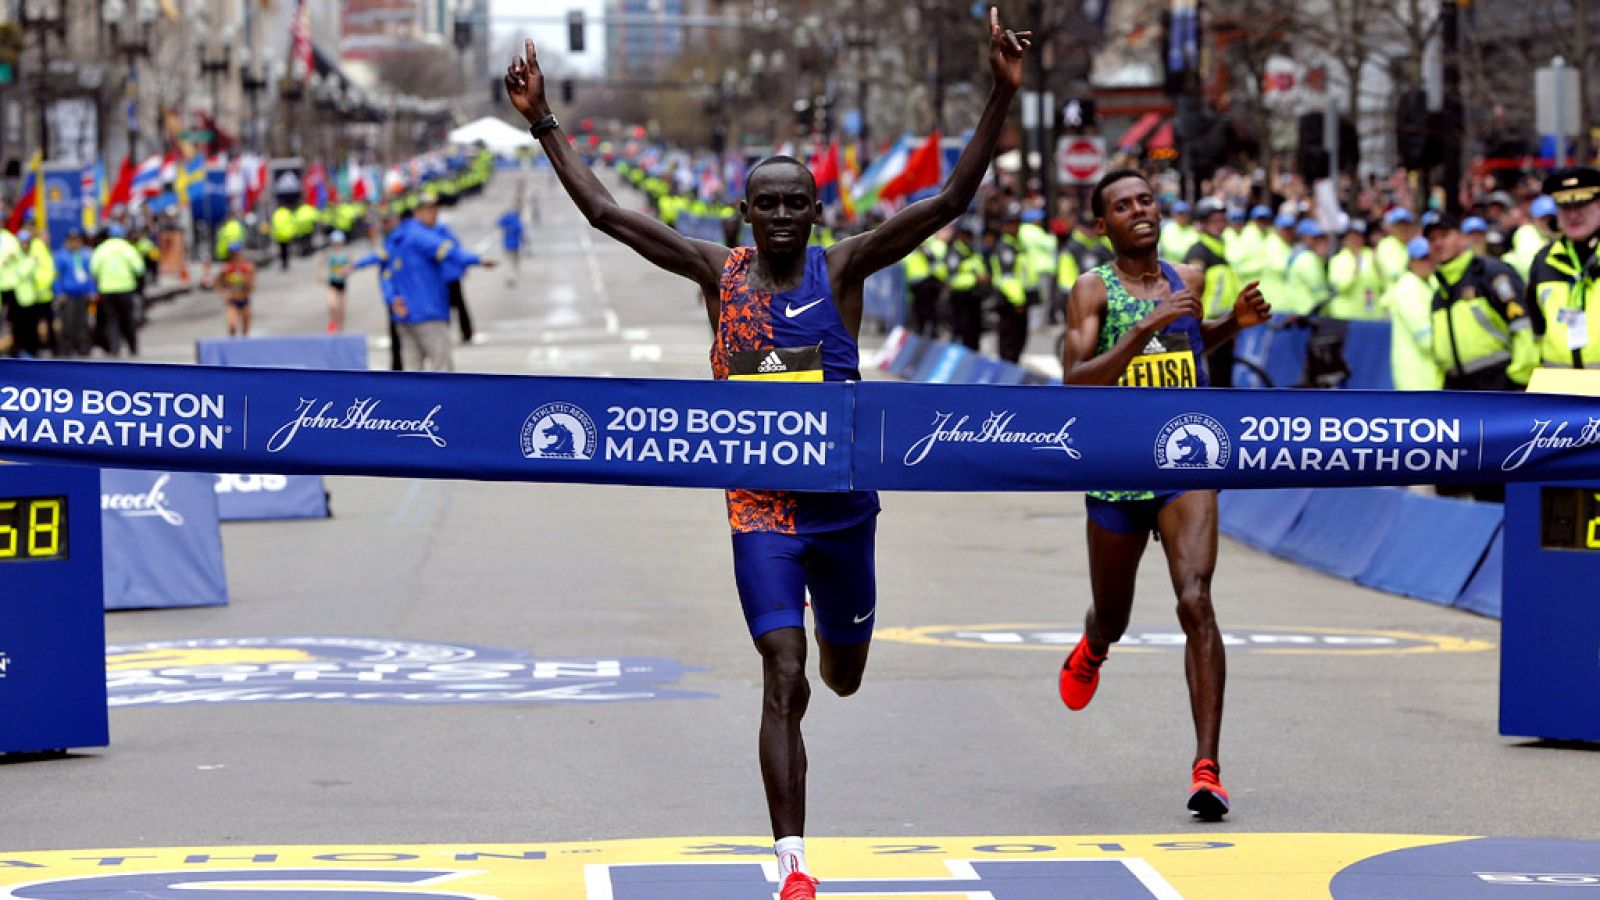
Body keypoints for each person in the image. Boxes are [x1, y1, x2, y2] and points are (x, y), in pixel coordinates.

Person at [505, 10, 1031, 897]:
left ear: (815, 212)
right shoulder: (719, 275)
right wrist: (545, 121)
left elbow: (947, 202)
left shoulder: (846, 269)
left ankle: (838, 640)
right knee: (782, 674)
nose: (782, 215)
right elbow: (606, 212)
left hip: (844, 513)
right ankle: (792, 862)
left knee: (840, 675)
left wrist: (1001, 95)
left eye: (796, 203)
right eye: (768, 203)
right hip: (762, 513)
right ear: (744, 212)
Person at [1057, 168, 1270, 821]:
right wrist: (1141, 328)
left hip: (1186, 453)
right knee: (1113, 616)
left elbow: (1189, 346)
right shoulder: (1092, 290)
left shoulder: (1190, 279)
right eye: (1123, 206)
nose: (1139, 211)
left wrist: (1231, 323)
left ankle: (1208, 768)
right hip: (1118, 464)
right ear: (1103, 225)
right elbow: (1075, 382)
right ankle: (1095, 645)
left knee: (1195, 600)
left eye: (1145, 200)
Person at [1426, 212, 1537, 392]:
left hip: (1499, 386)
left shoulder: (1489, 273)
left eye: (1444, 236)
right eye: (1432, 239)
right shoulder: (1440, 293)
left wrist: (1518, 380)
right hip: (1457, 391)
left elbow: (1523, 327)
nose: (1438, 244)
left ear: (1461, 237)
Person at [386, 194, 488, 371]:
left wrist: (392, 299)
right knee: (442, 369)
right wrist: (476, 260)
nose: (434, 215)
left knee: (411, 372)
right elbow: (449, 252)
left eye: (435, 211)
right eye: (430, 211)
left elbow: (387, 273)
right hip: (428, 312)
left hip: (404, 314)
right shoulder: (423, 236)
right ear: (417, 213)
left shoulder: (397, 238)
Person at [1526, 167, 1600, 370]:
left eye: (1582, 205)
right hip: (1559, 384)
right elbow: (1535, 326)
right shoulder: (1544, 261)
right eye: (1565, 207)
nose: (1573, 215)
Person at [1183, 199, 1240, 385]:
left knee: (1224, 379)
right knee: (1213, 381)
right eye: (1214, 221)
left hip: (1225, 322)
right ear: (1203, 223)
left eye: (1222, 220)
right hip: (1207, 325)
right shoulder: (1198, 252)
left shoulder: (1221, 250)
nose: (1220, 225)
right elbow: (1189, 292)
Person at [1386, 236, 1443, 390]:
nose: (1429, 262)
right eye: (1422, 259)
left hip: (1432, 375)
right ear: (1411, 262)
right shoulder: (1407, 288)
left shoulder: (1432, 282)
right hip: (1416, 378)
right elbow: (1426, 340)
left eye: (1430, 257)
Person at [89, 224, 145, 357]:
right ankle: (133, 347)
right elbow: (139, 268)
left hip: (107, 290)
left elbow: (93, 270)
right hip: (125, 289)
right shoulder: (127, 248)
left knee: (111, 320)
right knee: (128, 319)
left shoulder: (102, 249)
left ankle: (115, 348)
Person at [990, 205, 1035, 362]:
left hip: (1019, 300)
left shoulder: (1017, 244)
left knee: (1018, 340)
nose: (1015, 226)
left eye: (1017, 223)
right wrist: (1018, 301)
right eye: (1011, 223)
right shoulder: (1005, 248)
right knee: (1010, 342)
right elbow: (1007, 278)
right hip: (1011, 302)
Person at [1327, 219, 1385, 320]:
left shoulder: (1371, 255)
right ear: (1344, 240)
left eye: (1357, 236)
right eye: (1351, 236)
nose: (1354, 240)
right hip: (1346, 316)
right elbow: (1340, 286)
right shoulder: (1337, 260)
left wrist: (1378, 268)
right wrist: (1355, 271)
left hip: (1372, 315)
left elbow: (1382, 284)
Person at [1279, 219, 1332, 316]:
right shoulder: (1308, 259)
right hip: (1307, 313)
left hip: (1298, 311)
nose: (1318, 241)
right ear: (1303, 238)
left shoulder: (1299, 255)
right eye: (1314, 238)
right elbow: (1319, 293)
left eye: (1319, 237)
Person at [904, 227, 949, 337]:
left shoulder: (935, 244)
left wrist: (924, 249)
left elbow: (935, 261)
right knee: (919, 312)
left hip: (928, 282)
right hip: (915, 282)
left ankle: (930, 334)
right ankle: (922, 333)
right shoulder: (914, 244)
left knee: (929, 311)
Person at [216, 243, 255, 337]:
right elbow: (217, 282)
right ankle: (232, 341)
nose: (235, 256)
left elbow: (252, 284)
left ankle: (244, 341)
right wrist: (223, 293)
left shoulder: (247, 267)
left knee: (245, 328)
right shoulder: (226, 268)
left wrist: (248, 286)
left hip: (244, 300)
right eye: (233, 254)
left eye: (237, 253)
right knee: (232, 325)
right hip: (232, 301)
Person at [1375, 207, 1416, 288]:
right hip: (1395, 292)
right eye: (1399, 225)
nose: (1403, 228)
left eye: (1406, 224)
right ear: (1391, 227)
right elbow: (1394, 274)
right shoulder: (1386, 245)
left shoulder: (1413, 243)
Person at [325, 231, 352, 333]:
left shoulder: (346, 255)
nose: (337, 245)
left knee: (341, 309)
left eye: (339, 243)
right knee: (331, 304)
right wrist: (320, 275)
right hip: (332, 283)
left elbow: (351, 266)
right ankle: (332, 322)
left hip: (342, 283)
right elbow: (320, 265)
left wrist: (347, 271)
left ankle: (340, 328)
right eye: (335, 243)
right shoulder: (329, 254)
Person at [497, 204, 526, 286]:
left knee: (508, 262)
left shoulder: (507, 217)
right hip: (515, 245)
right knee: (515, 263)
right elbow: (522, 233)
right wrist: (525, 243)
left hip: (506, 244)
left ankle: (509, 277)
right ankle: (513, 278)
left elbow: (499, 222)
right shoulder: (517, 221)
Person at [271, 204, 296, 270]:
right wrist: (293, 232)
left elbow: (273, 224)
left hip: (279, 235)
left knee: (282, 250)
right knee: (287, 249)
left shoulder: (276, 213)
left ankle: (283, 263)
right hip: (287, 234)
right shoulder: (288, 213)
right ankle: (286, 262)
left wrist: (273, 234)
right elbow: (292, 223)